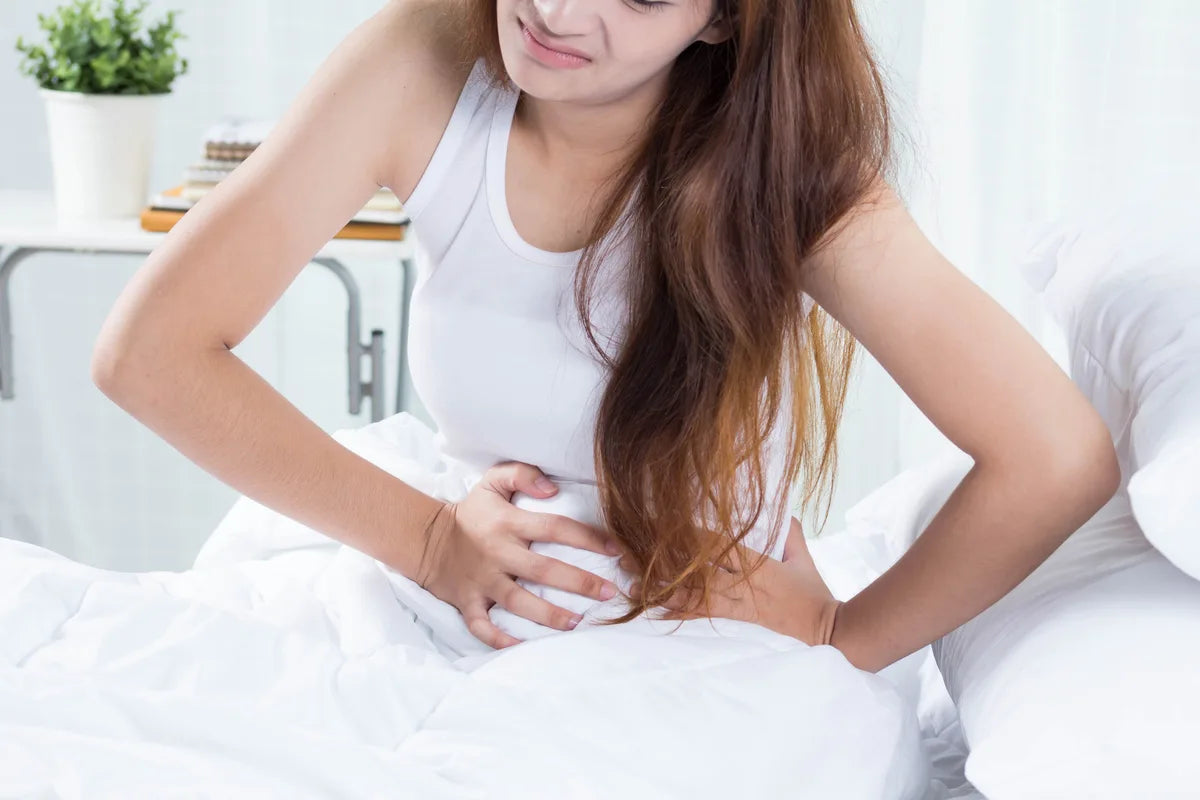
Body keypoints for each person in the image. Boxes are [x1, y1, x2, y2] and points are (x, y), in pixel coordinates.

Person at [92, 0, 1120, 675]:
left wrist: (843, 633)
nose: (557, 10)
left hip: (681, 649)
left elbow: (1055, 455)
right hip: (446, 600)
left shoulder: (791, 175)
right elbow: (150, 353)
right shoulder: (425, 60)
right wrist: (431, 540)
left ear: (722, 18)